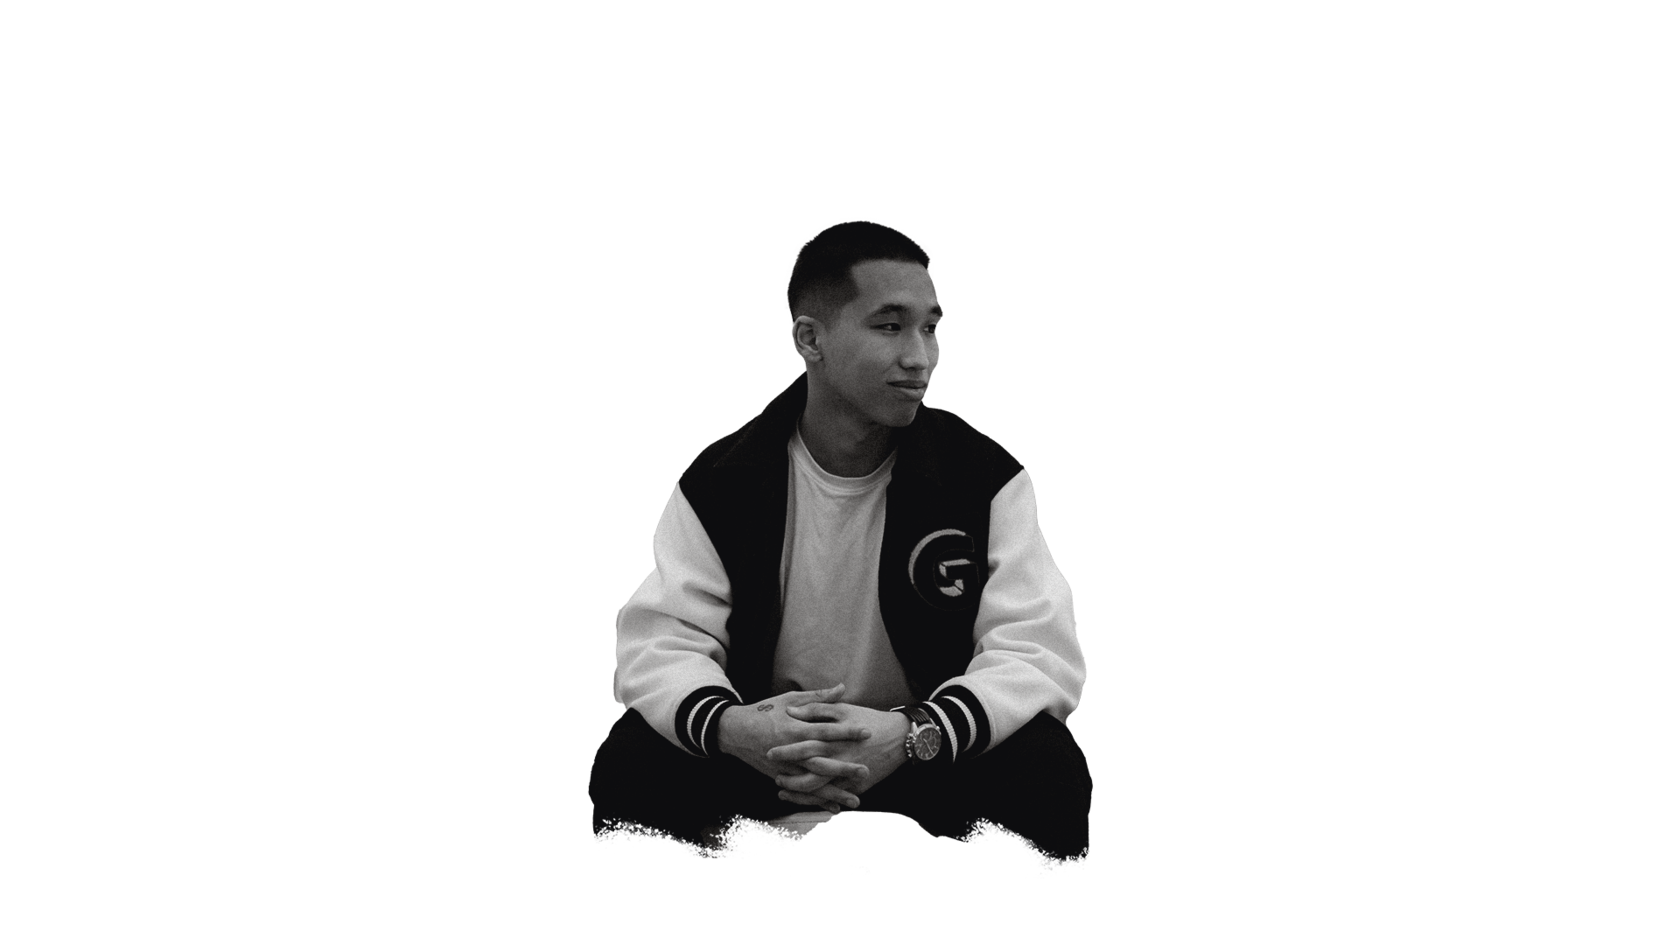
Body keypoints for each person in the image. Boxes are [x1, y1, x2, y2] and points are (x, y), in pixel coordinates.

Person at [592, 217, 1090, 876]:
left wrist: (913, 732)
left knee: (1049, 763)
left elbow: (1035, 649)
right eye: (890, 326)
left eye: (931, 327)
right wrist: (737, 729)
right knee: (629, 761)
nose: (920, 357)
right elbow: (662, 642)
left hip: (920, 748)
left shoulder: (983, 476)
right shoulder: (722, 480)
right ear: (809, 338)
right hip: (772, 752)